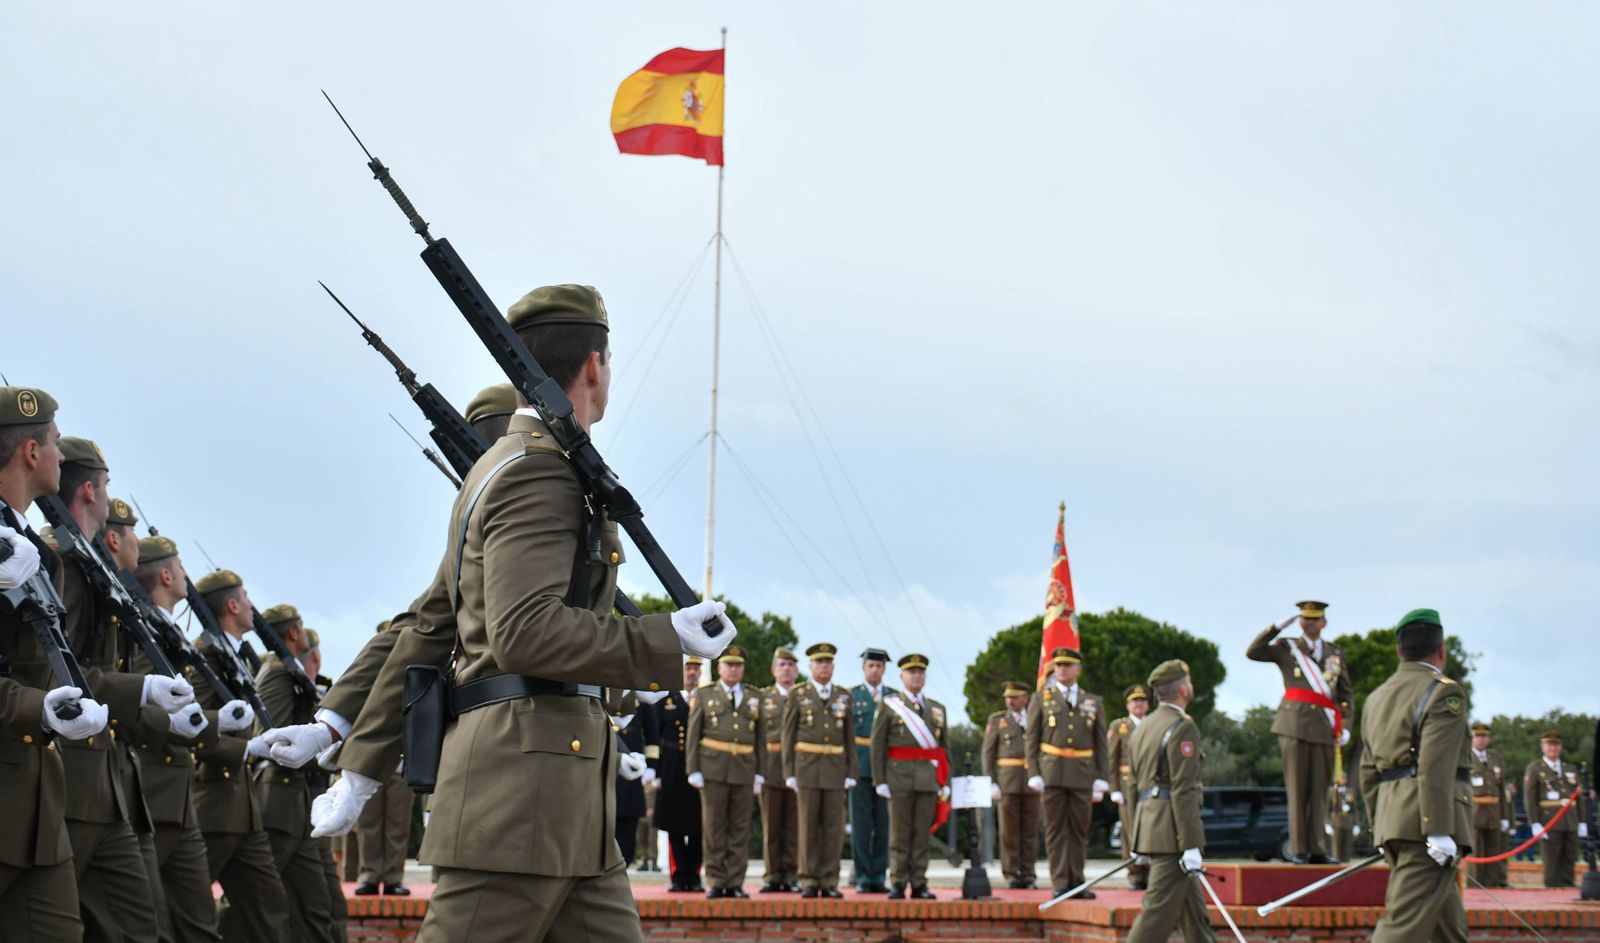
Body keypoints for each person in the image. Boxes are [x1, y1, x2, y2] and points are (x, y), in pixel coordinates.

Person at [401, 284, 734, 942]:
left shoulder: (513, 465)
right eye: (608, 362)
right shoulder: (537, 470)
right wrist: (664, 637)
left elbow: (431, 623)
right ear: (592, 365)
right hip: (518, 798)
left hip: (570, 801)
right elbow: (525, 631)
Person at [50, 437, 176, 943]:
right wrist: (142, 689)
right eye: (105, 487)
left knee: (139, 927)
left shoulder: (90, 566)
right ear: (88, 490)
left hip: (111, 786)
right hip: (73, 782)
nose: (107, 498)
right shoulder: (62, 564)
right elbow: (61, 672)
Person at [0, 386, 111, 941]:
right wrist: (37, 708)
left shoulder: (34, 551)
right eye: (52, 444)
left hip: (37, 805)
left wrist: (63, 703)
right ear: (30, 453)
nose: (62, 457)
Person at [188, 568, 290, 943]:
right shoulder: (203, 657)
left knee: (269, 910)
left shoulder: (241, 658)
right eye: (245, 597)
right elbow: (189, 728)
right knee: (192, 912)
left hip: (244, 811)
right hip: (211, 805)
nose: (251, 606)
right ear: (231, 604)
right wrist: (245, 748)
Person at [1358, 608, 1471, 943]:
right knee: (1401, 929)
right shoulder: (1444, 692)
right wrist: (1436, 828)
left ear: (1399, 650)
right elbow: (1435, 765)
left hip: (1396, 822)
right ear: (1441, 650)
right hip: (1428, 829)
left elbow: (1367, 771)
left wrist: (1379, 824)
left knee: (1447, 930)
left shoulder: (1376, 698)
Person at [252, 604, 339, 943]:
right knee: (258, 900)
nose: (304, 631)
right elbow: (270, 733)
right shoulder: (276, 671)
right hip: (278, 799)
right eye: (301, 626)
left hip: (298, 800)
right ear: (292, 632)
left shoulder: (287, 671)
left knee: (316, 905)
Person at [1246, 599, 1354, 864]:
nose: (1310, 623)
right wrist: (1276, 628)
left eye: (1315, 619)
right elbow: (1253, 652)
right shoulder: (1287, 647)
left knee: (1320, 791)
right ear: (1300, 622)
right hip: (1293, 725)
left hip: (1324, 728)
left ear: (1324, 623)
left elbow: (1346, 695)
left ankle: (1317, 848)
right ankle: (1299, 848)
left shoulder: (1335, 653)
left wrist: (1347, 727)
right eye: (1305, 619)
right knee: (1297, 789)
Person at [1125, 660, 1213, 943]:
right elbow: (1183, 790)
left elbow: (1134, 788)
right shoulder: (1182, 727)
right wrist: (1191, 843)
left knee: (1194, 916)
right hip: (1172, 834)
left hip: (1151, 827)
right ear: (1184, 690)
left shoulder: (1143, 727)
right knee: (1156, 915)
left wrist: (1135, 838)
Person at [1024, 646, 1109, 897]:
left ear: (1077, 669)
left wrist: (1102, 777)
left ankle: (1078, 882)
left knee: (1079, 831)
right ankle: (1061, 883)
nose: (1061, 669)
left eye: (1067, 665)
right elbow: (1032, 739)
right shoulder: (1042, 699)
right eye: (1058, 665)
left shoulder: (1093, 702)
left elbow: (1101, 743)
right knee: (1055, 830)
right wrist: (1034, 773)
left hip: (1082, 774)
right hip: (1052, 774)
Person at [870, 653, 950, 900]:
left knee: (921, 834)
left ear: (924, 677)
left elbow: (943, 750)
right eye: (911, 672)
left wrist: (944, 782)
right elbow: (877, 746)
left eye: (920, 672)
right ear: (902, 676)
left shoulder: (937, 709)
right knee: (899, 834)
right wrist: (879, 780)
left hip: (927, 779)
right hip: (899, 778)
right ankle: (897, 881)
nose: (916, 676)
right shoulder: (889, 705)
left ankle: (919, 883)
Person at [687, 644, 762, 898]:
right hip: (713, 769)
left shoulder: (754, 697)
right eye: (729, 664)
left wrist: (760, 772)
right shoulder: (706, 694)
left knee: (740, 829)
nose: (733, 669)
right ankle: (717, 880)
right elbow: (693, 735)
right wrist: (693, 769)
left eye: (738, 665)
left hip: (744, 768)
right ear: (720, 668)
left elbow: (760, 739)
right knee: (714, 827)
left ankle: (736, 882)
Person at [781, 642, 856, 898]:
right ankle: (809, 879)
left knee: (833, 829)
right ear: (811, 666)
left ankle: (829, 880)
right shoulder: (798, 695)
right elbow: (787, 735)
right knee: (808, 826)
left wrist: (851, 772)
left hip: (835, 769)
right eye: (819, 662)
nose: (824, 666)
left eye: (828, 663)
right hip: (807, 768)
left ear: (833, 667)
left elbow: (849, 738)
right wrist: (789, 771)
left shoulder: (843, 696)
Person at [350, 626, 415, 897]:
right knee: (369, 822)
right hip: (374, 761)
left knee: (398, 823)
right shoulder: (371, 678)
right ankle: (369, 874)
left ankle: (392, 877)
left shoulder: (412, 677)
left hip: (400, 761)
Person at [981, 680, 1039, 889]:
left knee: (1030, 831)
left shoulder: (1035, 718)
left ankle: (1029, 873)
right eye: (1008, 696)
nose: (1010, 700)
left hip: (1031, 782)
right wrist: (991, 782)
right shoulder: (997, 721)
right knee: (1009, 831)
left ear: (1025, 698)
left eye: (1015, 696)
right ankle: (1012, 873)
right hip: (1007, 782)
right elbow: (988, 753)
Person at [655, 658, 705, 893]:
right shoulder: (667, 700)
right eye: (688, 668)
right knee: (674, 823)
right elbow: (654, 735)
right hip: (672, 765)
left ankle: (694, 875)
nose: (692, 673)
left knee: (698, 824)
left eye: (696, 669)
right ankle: (677, 875)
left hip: (699, 766)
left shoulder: (706, 698)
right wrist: (654, 770)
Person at [848, 647, 895, 894]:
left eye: (879, 666)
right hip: (861, 768)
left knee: (884, 826)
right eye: (871, 666)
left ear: (884, 669)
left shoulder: (895, 697)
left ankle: (879, 875)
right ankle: (863, 875)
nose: (875, 670)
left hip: (887, 770)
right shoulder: (851, 697)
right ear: (864, 668)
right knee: (862, 826)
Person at [757, 647, 800, 892]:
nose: (786, 669)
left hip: (797, 766)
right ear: (773, 670)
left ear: (796, 671)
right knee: (771, 826)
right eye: (782, 665)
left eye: (791, 665)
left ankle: (792, 874)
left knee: (795, 826)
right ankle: (772, 875)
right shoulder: (763, 698)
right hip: (771, 766)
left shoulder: (803, 696)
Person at [1524, 730, 1586, 888]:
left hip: (1570, 821)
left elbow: (1579, 797)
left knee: (1569, 860)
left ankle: (1568, 893)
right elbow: (1530, 798)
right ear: (1543, 747)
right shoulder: (1536, 768)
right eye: (1549, 744)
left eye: (1556, 745)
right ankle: (1552, 894)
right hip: (1549, 821)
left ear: (1561, 747)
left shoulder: (1570, 768)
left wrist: (1582, 821)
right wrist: (1535, 823)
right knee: (1551, 865)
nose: (1553, 748)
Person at [1106, 683, 1151, 890]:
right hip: (1126, 784)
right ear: (1128, 705)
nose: (1139, 704)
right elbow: (1111, 759)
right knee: (1129, 829)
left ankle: (1150, 872)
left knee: (1151, 827)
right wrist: (1113, 788)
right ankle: (1134, 873)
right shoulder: (1120, 727)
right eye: (1135, 701)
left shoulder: (1153, 724)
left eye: (1142, 701)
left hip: (1150, 782)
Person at [608, 688, 657, 866]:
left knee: (629, 825)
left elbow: (652, 735)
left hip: (635, 767)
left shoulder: (640, 695)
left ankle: (625, 863)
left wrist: (651, 767)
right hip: (608, 764)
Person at [1467, 722, 1511, 888]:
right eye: (1478, 736)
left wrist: (1505, 816)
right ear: (1472, 738)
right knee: (1476, 851)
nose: (1481, 740)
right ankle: (1475, 885)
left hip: (1494, 811)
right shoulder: (1465, 756)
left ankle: (1493, 885)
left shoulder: (1495, 758)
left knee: (1495, 850)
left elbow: (1501, 790)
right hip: (1475, 811)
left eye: (1484, 736)